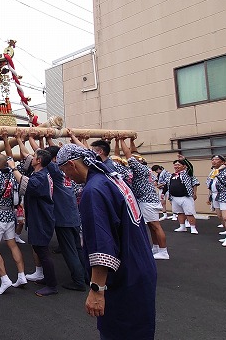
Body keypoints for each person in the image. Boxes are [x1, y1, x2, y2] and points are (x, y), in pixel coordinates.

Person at [57, 144, 157, 340]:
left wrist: (97, 289)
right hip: (141, 266)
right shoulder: (112, 178)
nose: (66, 176)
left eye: (64, 170)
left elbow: (101, 245)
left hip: (125, 275)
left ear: (72, 165)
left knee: (120, 332)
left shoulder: (94, 190)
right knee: (140, 330)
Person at [28, 130, 88, 291]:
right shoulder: (65, 172)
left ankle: (78, 281)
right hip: (73, 214)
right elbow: (46, 155)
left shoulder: (54, 170)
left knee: (69, 251)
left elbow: (41, 155)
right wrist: (47, 137)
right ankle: (86, 276)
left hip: (63, 217)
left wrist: (30, 139)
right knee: (77, 248)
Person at [7, 148, 58, 296]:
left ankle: (52, 285)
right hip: (40, 216)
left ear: (39, 161)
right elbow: (27, 163)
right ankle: (47, 278)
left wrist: (13, 167)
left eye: (35, 156)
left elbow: (26, 185)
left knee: (43, 251)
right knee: (39, 248)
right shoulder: (41, 173)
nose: (32, 158)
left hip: (41, 218)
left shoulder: (40, 177)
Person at [0, 127, 26, 294]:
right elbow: (9, 156)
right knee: (13, 245)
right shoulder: (13, 173)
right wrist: (6, 138)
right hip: (10, 214)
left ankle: (5, 278)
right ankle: (21, 275)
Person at [119, 138, 169, 260]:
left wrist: (120, 140)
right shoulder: (146, 169)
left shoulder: (140, 169)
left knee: (155, 226)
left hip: (147, 201)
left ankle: (164, 251)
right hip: (149, 199)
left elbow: (129, 155)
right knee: (152, 226)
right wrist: (131, 141)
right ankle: (157, 247)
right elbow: (135, 154)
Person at [166, 155, 200, 234]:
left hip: (186, 197)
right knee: (179, 213)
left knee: (189, 213)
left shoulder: (187, 173)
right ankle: (182, 226)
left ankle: (193, 227)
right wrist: (169, 197)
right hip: (175, 197)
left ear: (184, 166)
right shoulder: (172, 175)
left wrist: (185, 160)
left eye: (178, 164)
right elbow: (168, 186)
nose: (176, 166)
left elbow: (190, 167)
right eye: (175, 165)